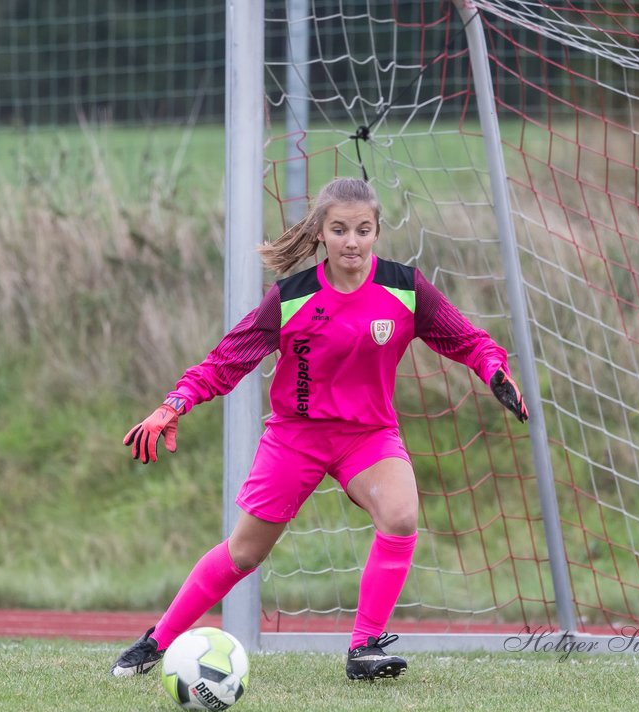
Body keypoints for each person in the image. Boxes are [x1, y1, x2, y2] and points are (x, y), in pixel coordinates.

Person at [111, 177, 528, 681]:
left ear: (376, 231)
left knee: (400, 516)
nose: (351, 241)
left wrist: (493, 369)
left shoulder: (404, 287)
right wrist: (174, 403)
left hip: (368, 435)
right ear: (321, 234)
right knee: (244, 552)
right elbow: (226, 361)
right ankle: (155, 643)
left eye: (363, 229)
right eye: (339, 230)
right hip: (296, 436)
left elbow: (468, 339)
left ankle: (364, 648)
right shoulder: (290, 298)